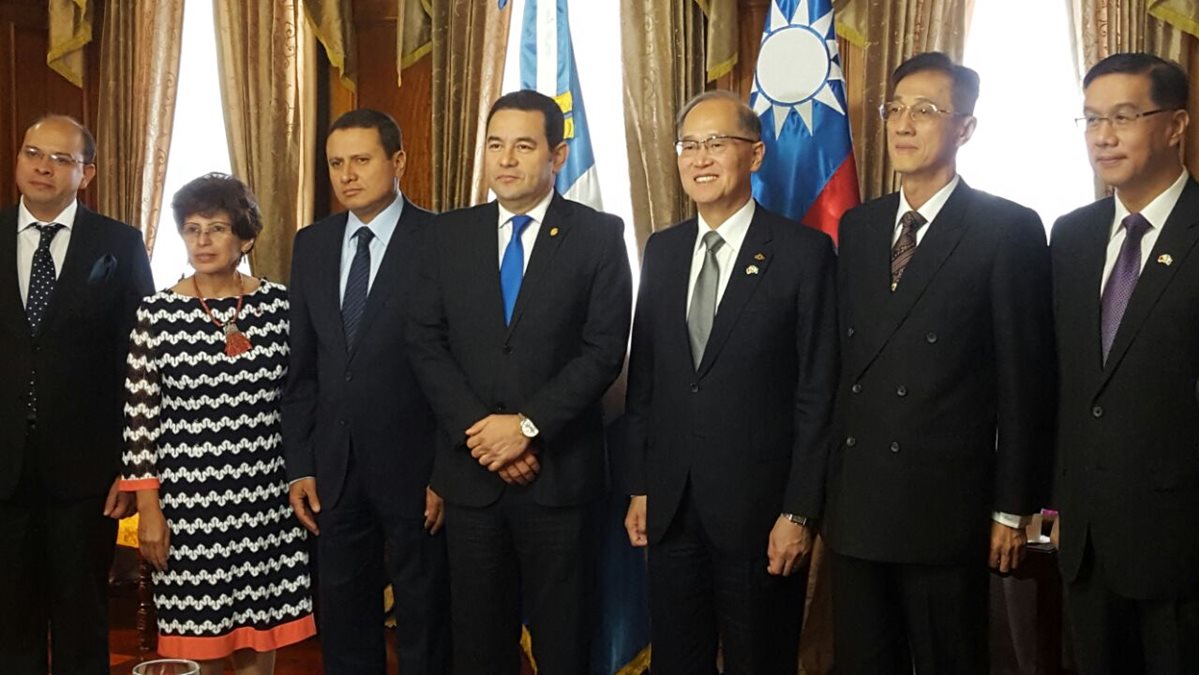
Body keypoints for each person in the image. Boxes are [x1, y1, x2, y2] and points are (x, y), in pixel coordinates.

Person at [822, 52, 1056, 674]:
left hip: (946, 508)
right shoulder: (862, 226)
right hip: (858, 507)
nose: (903, 124)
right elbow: (845, 371)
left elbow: (1024, 383)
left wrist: (1012, 508)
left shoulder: (1005, 228)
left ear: (966, 128)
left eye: (925, 110)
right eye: (894, 109)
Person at [408, 89, 632, 674]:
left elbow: (603, 350)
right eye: (495, 145)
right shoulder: (447, 234)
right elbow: (426, 344)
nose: (506, 159)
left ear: (557, 156)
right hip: (471, 476)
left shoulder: (599, 235)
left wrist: (528, 428)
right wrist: (484, 436)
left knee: (564, 641)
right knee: (478, 645)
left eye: (524, 145)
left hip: (559, 476)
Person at [622, 90, 838, 674]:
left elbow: (818, 394)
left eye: (717, 143)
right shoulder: (662, 251)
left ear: (756, 154)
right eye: (689, 145)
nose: (701, 158)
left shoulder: (803, 253)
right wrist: (641, 485)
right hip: (671, 509)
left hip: (760, 515)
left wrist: (798, 512)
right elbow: (646, 381)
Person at [120, 173, 316, 674]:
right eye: (191, 229)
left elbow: (301, 398)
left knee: (259, 643)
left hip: (266, 505)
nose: (202, 241)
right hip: (188, 510)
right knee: (197, 649)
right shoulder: (158, 312)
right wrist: (148, 508)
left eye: (217, 228)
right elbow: (141, 417)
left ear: (245, 237)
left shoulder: (281, 305)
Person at [282, 108, 448, 674]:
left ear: (397, 161)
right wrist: (300, 464)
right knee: (344, 622)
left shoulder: (443, 240)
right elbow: (301, 368)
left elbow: (459, 369)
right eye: (335, 163)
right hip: (334, 469)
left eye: (361, 159)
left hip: (417, 469)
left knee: (425, 621)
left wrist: (446, 472)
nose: (347, 174)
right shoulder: (313, 244)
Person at [1051, 52, 1199, 675]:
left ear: (1175, 125)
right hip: (1086, 543)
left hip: (1182, 546)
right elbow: (1065, 383)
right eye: (1090, 120)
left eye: (1124, 116)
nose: (1103, 136)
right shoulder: (1073, 234)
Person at [0, 114, 154, 673]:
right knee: (8, 621)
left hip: (88, 475)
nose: (42, 166)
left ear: (85, 174)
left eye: (61, 158)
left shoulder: (118, 243)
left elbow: (137, 362)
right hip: (4, 469)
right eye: (32, 152)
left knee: (81, 619)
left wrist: (131, 467)